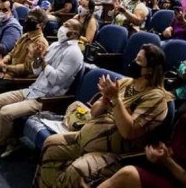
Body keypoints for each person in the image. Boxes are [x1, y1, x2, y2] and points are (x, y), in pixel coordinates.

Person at [35, 44, 172, 187]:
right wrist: (106, 99)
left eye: (138, 61)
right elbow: (94, 112)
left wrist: (116, 99)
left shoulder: (156, 98)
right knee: (51, 144)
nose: (133, 63)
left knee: (77, 170)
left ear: (149, 70)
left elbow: (128, 131)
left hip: (112, 154)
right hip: (85, 137)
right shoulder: (126, 83)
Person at [99, 66, 186, 188]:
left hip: (181, 185)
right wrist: (159, 153)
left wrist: (166, 161)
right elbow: (171, 150)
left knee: (127, 175)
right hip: (165, 175)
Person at [0, 19, 84, 158]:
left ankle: (0, 140)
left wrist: (42, 61)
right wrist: (36, 59)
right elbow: (37, 72)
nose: (61, 27)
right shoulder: (55, 44)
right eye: (63, 24)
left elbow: (56, 79)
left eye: (66, 25)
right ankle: (11, 139)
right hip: (32, 89)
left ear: (75, 33)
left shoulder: (74, 53)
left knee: (5, 112)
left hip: (45, 98)